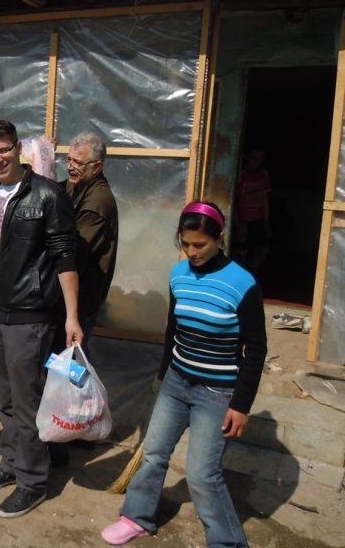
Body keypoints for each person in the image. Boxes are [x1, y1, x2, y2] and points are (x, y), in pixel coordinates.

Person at [101, 202, 267, 547]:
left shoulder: (242, 283)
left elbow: (256, 349)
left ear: (219, 238)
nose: (192, 252)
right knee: (154, 453)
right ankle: (137, 516)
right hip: (176, 383)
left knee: (202, 475)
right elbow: (173, 329)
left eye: (200, 245)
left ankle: (227, 542)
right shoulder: (179, 275)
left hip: (217, 393)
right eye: (186, 244)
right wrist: (163, 377)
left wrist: (241, 405)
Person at [0, 120, 82, 519]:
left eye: (3, 150)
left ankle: (32, 482)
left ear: (18, 149)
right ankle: (11, 463)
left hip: (30, 316)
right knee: (7, 398)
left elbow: (66, 256)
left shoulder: (47, 195)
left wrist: (72, 316)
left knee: (28, 401)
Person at [59, 131, 119, 357]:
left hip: (81, 301)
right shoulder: (77, 185)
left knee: (67, 368)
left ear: (97, 166)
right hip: (67, 298)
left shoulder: (98, 201)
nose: (71, 166)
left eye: (79, 163)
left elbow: (73, 252)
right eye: (69, 160)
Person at [233, 148, 270, 271]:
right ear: (246, 157)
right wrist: (238, 223)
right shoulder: (239, 174)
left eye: (259, 158)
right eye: (253, 158)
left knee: (262, 247)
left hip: (257, 219)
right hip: (241, 219)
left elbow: (264, 199)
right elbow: (233, 200)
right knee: (240, 250)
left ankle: (251, 272)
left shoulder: (263, 174)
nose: (256, 162)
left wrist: (266, 221)